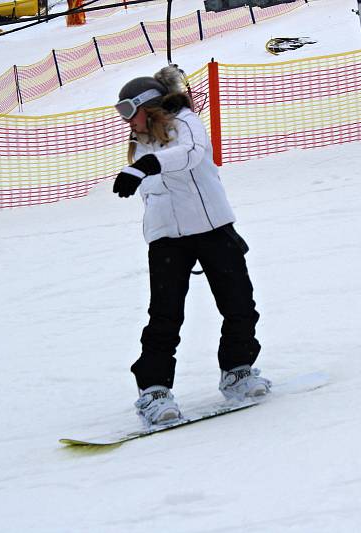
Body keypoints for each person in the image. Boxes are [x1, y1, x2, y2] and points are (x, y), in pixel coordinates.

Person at [112, 66, 271, 427]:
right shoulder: (140, 143)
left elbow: (190, 154)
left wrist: (148, 165)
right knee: (165, 317)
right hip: (168, 238)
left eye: (127, 111)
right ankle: (153, 391)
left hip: (213, 228)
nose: (125, 121)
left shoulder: (186, 122)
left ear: (149, 106)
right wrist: (143, 168)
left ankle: (238, 370)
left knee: (240, 305)